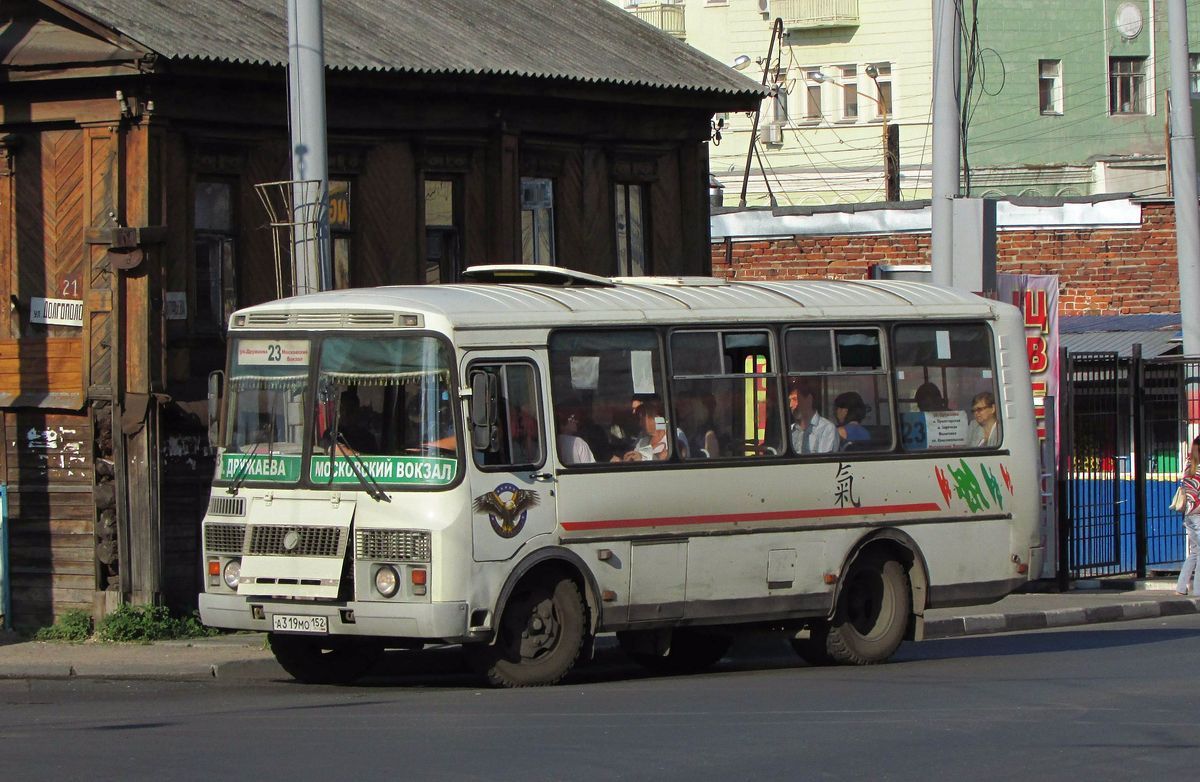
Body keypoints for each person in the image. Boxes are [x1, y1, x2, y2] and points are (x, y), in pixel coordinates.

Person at [1176, 436, 1200, 595]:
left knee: (1195, 552)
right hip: (1198, 514)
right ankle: (1198, 590)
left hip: (1188, 514)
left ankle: (1180, 587)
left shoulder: (1188, 465)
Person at [788, 379, 837, 454]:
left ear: (809, 400)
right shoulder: (791, 430)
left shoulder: (826, 428)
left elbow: (824, 461)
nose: (791, 405)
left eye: (795, 399)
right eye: (790, 401)